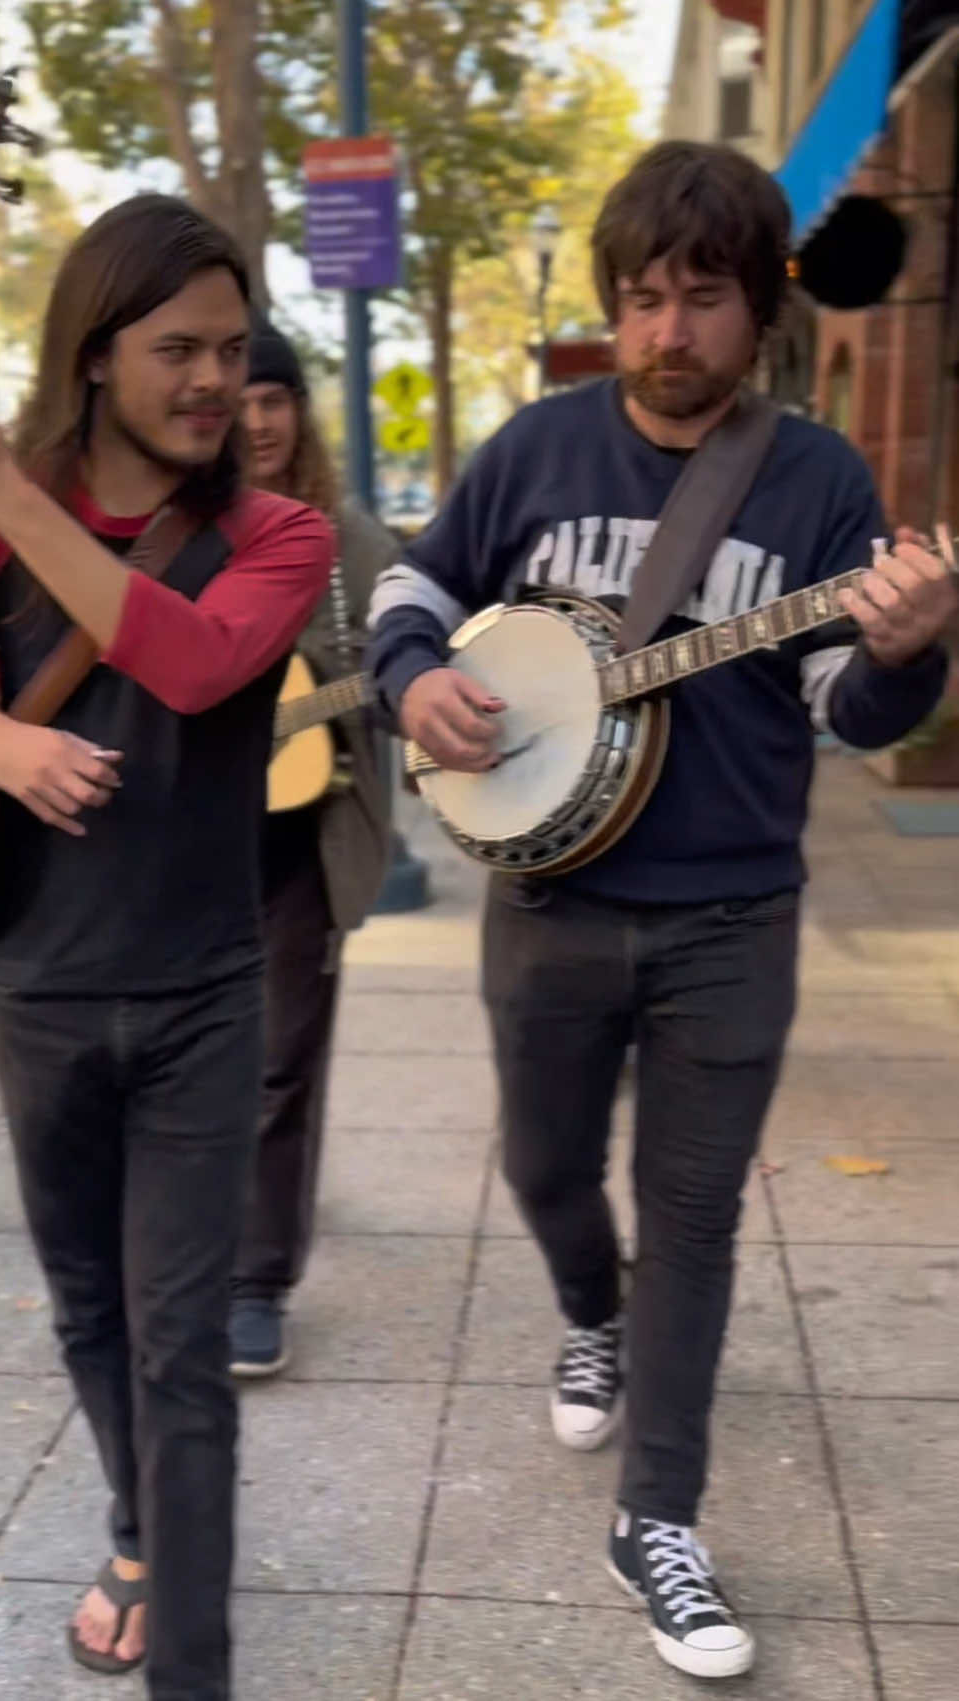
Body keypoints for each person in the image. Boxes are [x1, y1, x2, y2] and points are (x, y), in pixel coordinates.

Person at [366, 141, 955, 1681]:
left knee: (692, 1218)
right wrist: (416, 682)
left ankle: (660, 1514)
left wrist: (904, 649)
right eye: (641, 299)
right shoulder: (534, 450)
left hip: (729, 915)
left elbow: (851, 707)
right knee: (547, 1167)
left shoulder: (820, 480)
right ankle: (588, 1314)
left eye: (702, 299)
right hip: (548, 898)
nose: (667, 332)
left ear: (759, 307)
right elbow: (407, 593)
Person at [0, 194, 333, 1701]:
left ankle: (194, 1668)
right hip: (34, 988)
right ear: (95, 356)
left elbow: (201, 662)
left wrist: (6, 498)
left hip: (201, 998)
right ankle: (137, 1533)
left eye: (233, 350)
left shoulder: (272, 531)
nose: (213, 381)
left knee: (181, 1350)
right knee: (88, 1312)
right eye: (178, 349)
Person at [229, 317, 396, 1375]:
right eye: (239, 404)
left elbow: (413, 651)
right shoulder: (175, 530)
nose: (256, 424)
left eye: (274, 401)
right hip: (184, 843)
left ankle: (256, 1279)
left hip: (301, 839)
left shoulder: (349, 542)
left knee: (281, 1060)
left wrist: (367, 692)